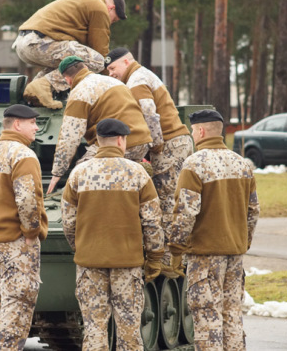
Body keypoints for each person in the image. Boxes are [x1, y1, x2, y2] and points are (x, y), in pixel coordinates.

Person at [61, 118, 164, 351]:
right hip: (127, 263)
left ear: (97, 141)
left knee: (94, 327)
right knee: (129, 329)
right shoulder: (137, 173)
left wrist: (81, 247)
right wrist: (155, 256)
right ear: (120, 140)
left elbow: (68, 222)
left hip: (90, 262)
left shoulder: (79, 174)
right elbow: (152, 222)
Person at [171, 109, 259, 351]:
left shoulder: (194, 163)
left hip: (205, 256)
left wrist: (175, 249)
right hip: (235, 254)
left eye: (192, 130)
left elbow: (186, 212)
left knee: (207, 319)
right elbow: (253, 211)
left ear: (200, 131)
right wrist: (242, 242)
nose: (192, 134)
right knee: (231, 315)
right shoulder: (242, 164)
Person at [105, 47, 194, 277]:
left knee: (166, 201)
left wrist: (153, 145)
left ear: (126, 62)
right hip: (175, 141)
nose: (111, 73)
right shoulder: (140, 75)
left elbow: (149, 114)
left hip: (169, 143)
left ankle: (167, 261)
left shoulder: (136, 79)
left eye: (113, 68)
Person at [0, 104, 49, 351]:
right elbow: (28, 200)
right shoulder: (23, 155)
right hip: (17, 243)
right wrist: (30, 234)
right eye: (32, 123)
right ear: (18, 124)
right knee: (16, 307)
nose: (37, 127)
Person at [46, 56, 152, 195]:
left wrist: (57, 173)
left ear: (68, 80)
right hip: (141, 142)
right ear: (85, 68)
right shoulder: (114, 82)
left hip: (118, 143)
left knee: (83, 173)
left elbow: (69, 137)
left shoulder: (79, 92)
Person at [13, 0, 128, 109]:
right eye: (113, 20)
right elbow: (100, 49)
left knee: (69, 62)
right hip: (39, 43)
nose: (110, 24)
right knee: (97, 61)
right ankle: (44, 84)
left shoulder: (87, 2)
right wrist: (113, 81)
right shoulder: (100, 8)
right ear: (111, 8)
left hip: (25, 43)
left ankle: (35, 93)